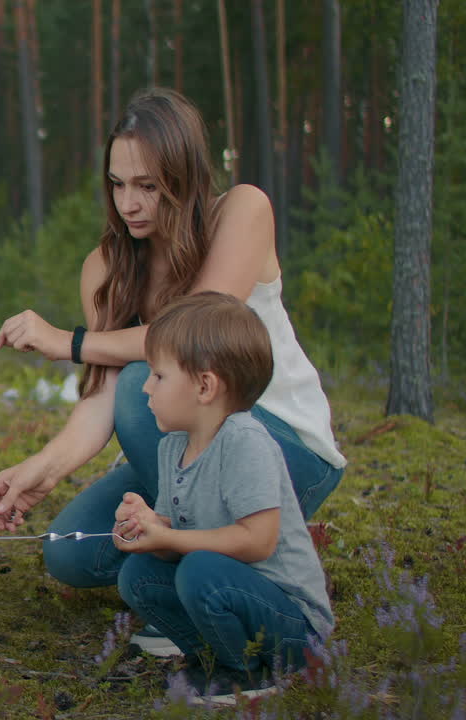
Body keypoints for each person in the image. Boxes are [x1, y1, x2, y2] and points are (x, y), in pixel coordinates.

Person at [0, 88, 345, 654]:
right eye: (117, 183)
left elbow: (191, 337)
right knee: (68, 547)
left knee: (140, 382)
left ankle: (223, 580)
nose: (128, 202)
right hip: (182, 461)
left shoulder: (242, 210)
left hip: (283, 445)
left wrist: (68, 343)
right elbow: (101, 399)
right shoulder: (106, 267)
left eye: (147, 185)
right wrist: (44, 468)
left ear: (184, 175)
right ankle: (192, 575)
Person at [112, 292, 333, 704]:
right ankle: (211, 657)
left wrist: (170, 539)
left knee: (199, 572)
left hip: (289, 622)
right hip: (224, 590)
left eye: (158, 376)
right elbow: (170, 542)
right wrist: (147, 527)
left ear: (205, 385)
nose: (145, 386)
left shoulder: (244, 441)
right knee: (137, 574)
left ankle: (243, 673)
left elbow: (257, 541)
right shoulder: (172, 446)